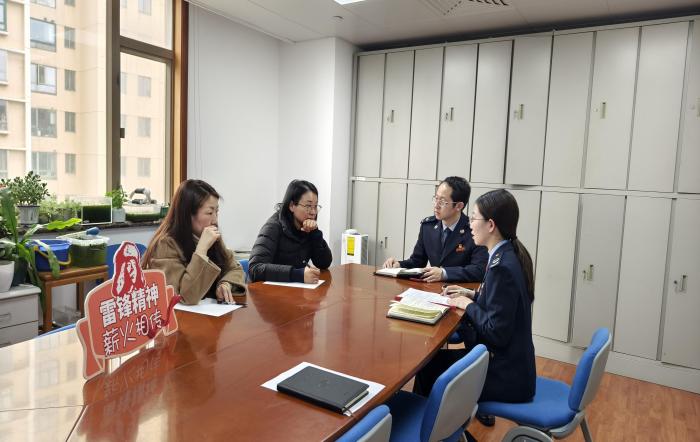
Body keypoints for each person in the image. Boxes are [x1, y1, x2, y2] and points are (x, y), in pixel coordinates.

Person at [413, 189, 536, 427]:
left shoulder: (502, 266)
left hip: (505, 375)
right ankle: (440, 429)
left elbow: (496, 332)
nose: (469, 224)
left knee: (429, 369)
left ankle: (430, 431)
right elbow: (498, 303)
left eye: (474, 218)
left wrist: (468, 304)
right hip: (510, 365)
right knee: (432, 363)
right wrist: (472, 294)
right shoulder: (506, 254)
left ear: (491, 225)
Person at [142, 179, 247, 305]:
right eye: (209, 212)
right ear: (188, 215)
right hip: (179, 315)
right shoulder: (165, 244)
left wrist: (226, 284)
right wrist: (201, 250)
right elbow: (184, 297)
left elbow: (235, 268)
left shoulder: (210, 236)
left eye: (217, 211)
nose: (215, 220)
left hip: (208, 313)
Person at [382, 176, 487, 283]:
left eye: (442, 201)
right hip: (432, 288)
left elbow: (479, 270)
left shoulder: (474, 230)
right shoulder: (428, 227)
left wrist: (444, 273)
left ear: (459, 206)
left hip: (459, 290)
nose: (436, 205)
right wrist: (398, 265)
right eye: (436, 198)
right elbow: (417, 261)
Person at [248, 179, 332, 283]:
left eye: (315, 206)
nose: (313, 212)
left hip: (294, 288)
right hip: (269, 289)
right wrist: (298, 274)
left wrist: (315, 233)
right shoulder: (273, 227)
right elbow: (255, 269)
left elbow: (324, 263)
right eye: (308, 206)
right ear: (292, 206)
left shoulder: (308, 229)